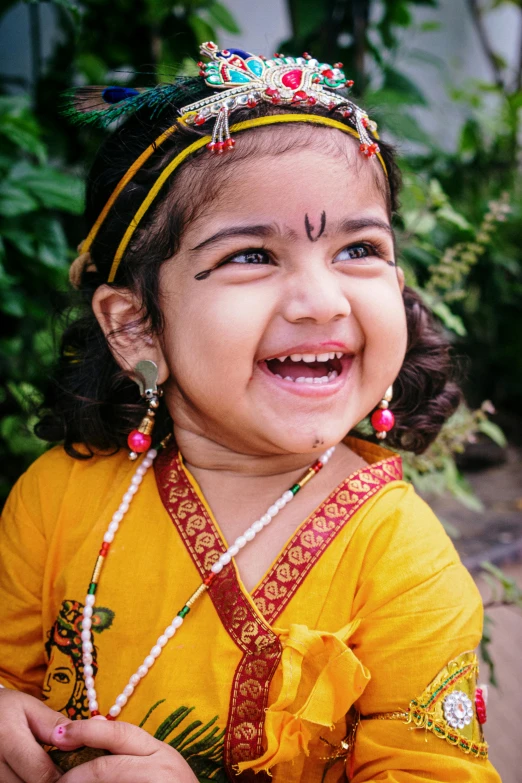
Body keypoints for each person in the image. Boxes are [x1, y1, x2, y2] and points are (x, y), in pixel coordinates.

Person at [0, 43, 500, 783]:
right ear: (136, 325)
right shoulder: (57, 499)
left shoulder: (403, 565)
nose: (323, 300)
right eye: (252, 256)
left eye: (359, 247)